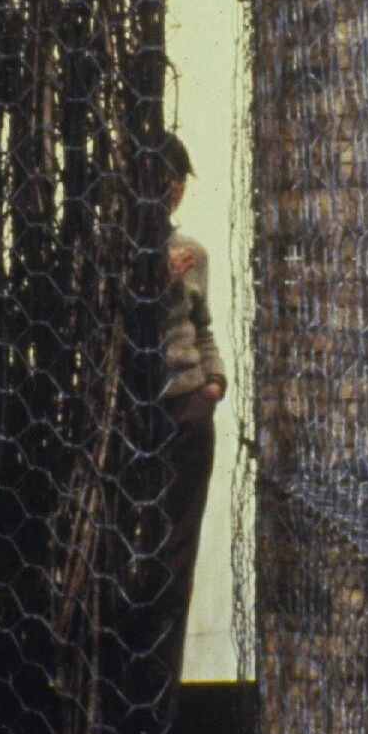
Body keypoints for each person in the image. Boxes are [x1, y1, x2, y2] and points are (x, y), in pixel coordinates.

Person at [157, 131, 226, 689]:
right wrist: (158, 280)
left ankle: (164, 689)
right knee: (137, 557)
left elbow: (201, 329)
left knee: (178, 555)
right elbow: (110, 329)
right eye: (164, 179)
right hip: (138, 419)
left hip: (189, 410)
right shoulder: (109, 254)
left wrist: (214, 382)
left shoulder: (194, 253)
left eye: (179, 181)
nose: (174, 189)